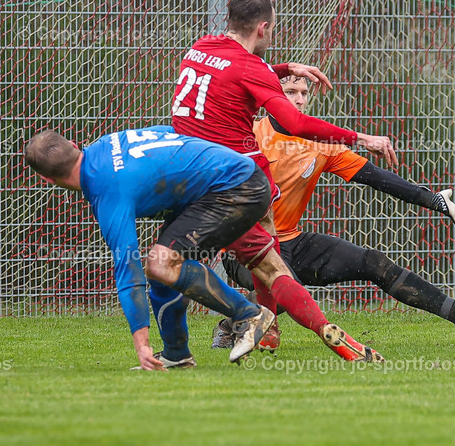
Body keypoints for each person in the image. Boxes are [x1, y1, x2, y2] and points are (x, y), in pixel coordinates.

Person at [149, 0, 396, 364]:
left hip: (189, 175)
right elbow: (294, 122)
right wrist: (361, 138)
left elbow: (232, 74)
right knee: (268, 264)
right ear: (263, 28)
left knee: (174, 266)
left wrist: (283, 70)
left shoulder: (201, 47)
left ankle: (226, 342)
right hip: (238, 181)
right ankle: (302, 328)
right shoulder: (251, 68)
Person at [211, 75, 455, 350]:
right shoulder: (248, 135)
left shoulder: (320, 142)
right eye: (291, 92)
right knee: (287, 287)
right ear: (272, 96)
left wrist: (434, 200)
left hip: (290, 240)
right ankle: (233, 323)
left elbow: (376, 177)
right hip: (246, 247)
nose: (299, 100)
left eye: (304, 93)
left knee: (373, 262)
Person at [23, 126, 277, 370]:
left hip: (237, 188)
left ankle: (249, 315)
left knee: (159, 264)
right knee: (163, 274)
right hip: (232, 180)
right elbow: (167, 132)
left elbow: (128, 269)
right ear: (74, 145)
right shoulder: (105, 143)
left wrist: (141, 344)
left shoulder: (107, 189)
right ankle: (176, 355)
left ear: (46, 178)